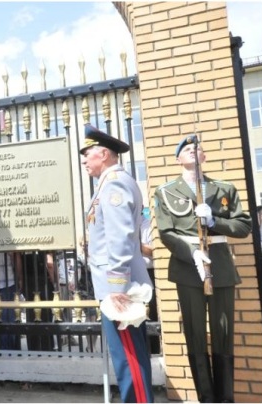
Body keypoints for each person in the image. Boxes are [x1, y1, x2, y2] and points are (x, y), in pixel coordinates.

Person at [154, 135, 251, 403]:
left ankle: (225, 397)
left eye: (197, 148)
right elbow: (166, 233)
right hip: (188, 267)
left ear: (204, 156)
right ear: (178, 159)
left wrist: (214, 220)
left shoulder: (224, 189)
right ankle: (206, 398)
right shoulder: (166, 192)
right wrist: (192, 253)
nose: (193, 151)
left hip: (219, 263)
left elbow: (243, 226)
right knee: (195, 333)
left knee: (223, 330)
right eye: (187, 149)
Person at [80, 125, 154, 402]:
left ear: (105, 153)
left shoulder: (115, 184)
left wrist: (117, 285)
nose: (85, 160)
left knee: (128, 358)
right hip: (114, 286)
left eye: (88, 154)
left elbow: (121, 238)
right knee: (125, 355)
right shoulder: (108, 183)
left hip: (119, 288)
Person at [140, 208, 160, 354]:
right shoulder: (125, 225)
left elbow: (156, 252)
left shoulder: (147, 225)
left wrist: (137, 244)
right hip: (131, 275)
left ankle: (153, 350)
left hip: (148, 272)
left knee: (149, 315)